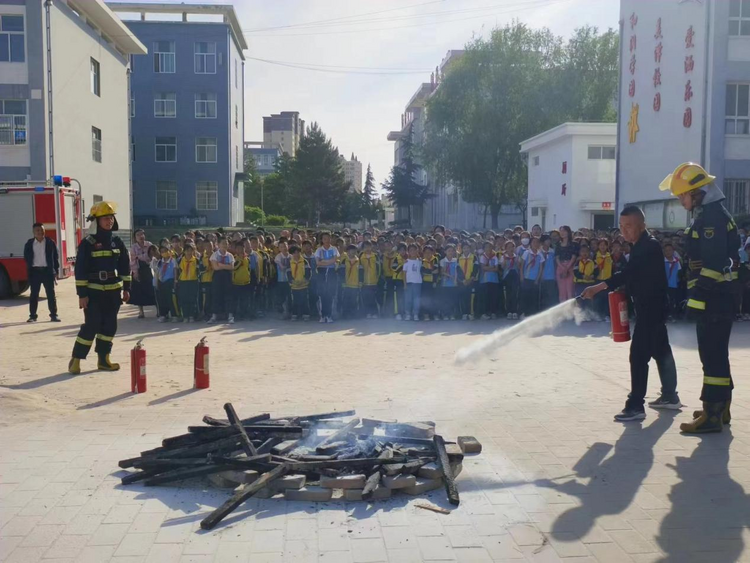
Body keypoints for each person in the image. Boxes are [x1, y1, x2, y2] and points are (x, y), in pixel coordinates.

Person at [659, 163, 740, 433]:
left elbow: (714, 264)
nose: (680, 200)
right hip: (718, 298)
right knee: (717, 354)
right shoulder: (709, 213)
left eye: (683, 195)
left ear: (697, 192)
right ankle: (722, 406)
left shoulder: (712, 218)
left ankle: (712, 414)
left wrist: (697, 298)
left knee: (712, 355)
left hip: (715, 298)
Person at [582, 206, 681, 422]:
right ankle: (670, 396)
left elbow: (628, 273)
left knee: (638, 356)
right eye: (621, 226)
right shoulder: (638, 245)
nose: (624, 231)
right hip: (650, 308)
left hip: (652, 310)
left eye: (629, 226)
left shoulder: (649, 246)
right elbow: (637, 277)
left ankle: (636, 405)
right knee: (662, 351)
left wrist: (598, 287)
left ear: (642, 225)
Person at [68, 202, 130, 374]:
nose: (109, 221)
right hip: (93, 293)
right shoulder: (87, 243)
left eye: (111, 218)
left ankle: (104, 360)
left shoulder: (117, 242)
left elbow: (125, 266)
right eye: (105, 218)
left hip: (113, 292)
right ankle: (76, 359)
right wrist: (82, 294)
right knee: (92, 325)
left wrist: (127, 288)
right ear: (96, 221)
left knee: (110, 326)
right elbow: (80, 270)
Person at [23, 223, 60, 323]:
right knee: (34, 295)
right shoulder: (29, 244)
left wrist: (55, 271)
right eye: (38, 230)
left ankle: (53, 315)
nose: (40, 232)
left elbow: (55, 257)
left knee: (51, 294)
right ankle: (33, 316)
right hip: (35, 272)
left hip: (47, 272)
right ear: (34, 232)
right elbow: (26, 257)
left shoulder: (50, 242)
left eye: (42, 230)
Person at [128, 229, 155, 319]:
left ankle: (158, 310)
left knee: (151, 289)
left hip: (148, 269)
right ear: (135, 237)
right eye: (138, 235)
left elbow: (151, 257)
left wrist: (139, 257)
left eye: (142, 234)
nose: (141, 236)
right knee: (138, 291)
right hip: (138, 270)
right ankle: (141, 311)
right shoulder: (133, 247)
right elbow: (133, 260)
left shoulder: (149, 245)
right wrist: (135, 272)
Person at [209, 237, 235, 324]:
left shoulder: (230, 255)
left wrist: (220, 264)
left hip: (227, 277)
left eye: (226, 243)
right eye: (223, 243)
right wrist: (224, 266)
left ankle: (230, 315)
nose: (225, 245)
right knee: (216, 295)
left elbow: (231, 267)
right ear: (218, 244)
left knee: (229, 295)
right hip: (217, 278)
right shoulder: (215, 255)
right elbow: (215, 267)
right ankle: (214, 315)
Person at [314, 232, 339, 323]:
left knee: (330, 295)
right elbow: (318, 262)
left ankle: (329, 315)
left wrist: (324, 262)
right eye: (324, 238)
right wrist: (329, 262)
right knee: (322, 295)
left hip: (331, 273)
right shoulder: (319, 250)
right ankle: (322, 315)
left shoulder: (334, 249)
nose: (327, 240)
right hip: (322, 273)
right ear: (322, 240)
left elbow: (335, 260)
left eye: (328, 238)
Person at [520, 237, 544, 319]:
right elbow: (521, 265)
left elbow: (541, 268)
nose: (535, 244)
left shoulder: (540, 254)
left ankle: (533, 313)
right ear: (530, 243)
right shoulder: (526, 253)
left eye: (537, 242)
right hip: (526, 277)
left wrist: (537, 279)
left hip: (535, 279)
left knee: (534, 296)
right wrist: (522, 276)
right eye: (533, 242)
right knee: (525, 296)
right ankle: (524, 312)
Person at [176, 242, 199, 322]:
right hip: (183, 281)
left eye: (191, 250)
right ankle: (185, 316)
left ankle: (192, 315)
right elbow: (177, 270)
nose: (189, 252)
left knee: (192, 299)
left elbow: (199, 270)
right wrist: (176, 280)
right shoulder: (180, 260)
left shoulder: (196, 260)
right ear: (184, 251)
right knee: (184, 299)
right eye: (187, 250)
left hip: (193, 281)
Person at [288, 244, 311, 321]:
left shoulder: (304, 261)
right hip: (294, 285)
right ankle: (295, 314)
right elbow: (288, 273)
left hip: (303, 284)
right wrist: (291, 281)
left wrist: (306, 280)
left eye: (298, 252)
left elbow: (308, 272)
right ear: (292, 254)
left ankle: (306, 314)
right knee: (295, 300)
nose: (296, 254)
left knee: (304, 300)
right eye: (294, 253)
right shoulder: (290, 262)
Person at [155, 245, 178, 322]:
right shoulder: (159, 262)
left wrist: (175, 281)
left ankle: (174, 315)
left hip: (170, 281)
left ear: (169, 251)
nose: (164, 253)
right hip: (161, 281)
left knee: (171, 299)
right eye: (162, 252)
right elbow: (157, 273)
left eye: (165, 251)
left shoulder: (173, 261)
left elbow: (175, 271)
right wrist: (157, 283)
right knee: (162, 299)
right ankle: (163, 315)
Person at [555, 226, 578, 302]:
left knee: (570, 290)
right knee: (562, 290)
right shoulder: (558, 244)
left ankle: (571, 310)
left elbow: (574, 257)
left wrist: (567, 268)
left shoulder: (574, 244)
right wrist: (562, 267)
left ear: (568, 232)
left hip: (570, 267)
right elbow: (557, 258)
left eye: (564, 231)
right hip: (560, 267)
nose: (562, 233)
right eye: (561, 231)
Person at [360, 241, 380, 319]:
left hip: (373, 281)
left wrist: (377, 278)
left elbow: (379, 268)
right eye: (365, 247)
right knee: (366, 298)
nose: (367, 248)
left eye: (369, 246)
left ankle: (375, 312)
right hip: (365, 281)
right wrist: (360, 280)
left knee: (373, 298)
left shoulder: (375, 256)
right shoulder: (361, 256)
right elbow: (360, 269)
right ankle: (368, 312)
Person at [403, 244, 422, 321]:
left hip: (417, 282)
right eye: (411, 250)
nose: (413, 252)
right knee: (408, 299)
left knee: (416, 299)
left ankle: (415, 314)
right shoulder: (406, 262)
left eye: (414, 250)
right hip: (409, 283)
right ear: (408, 252)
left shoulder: (420, 261)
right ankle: (408, 314)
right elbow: (404, 274)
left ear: (417, 251)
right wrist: (404, 284)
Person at [663, 243, 682, 321]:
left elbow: (679, 272)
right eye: (666, 250)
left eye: (670, 250)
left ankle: (673, 314)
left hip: (674, 284)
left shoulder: (677, 261)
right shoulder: (662, 261)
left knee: (673, 300)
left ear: (673, 251)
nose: (668, 252)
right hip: (664, 284)